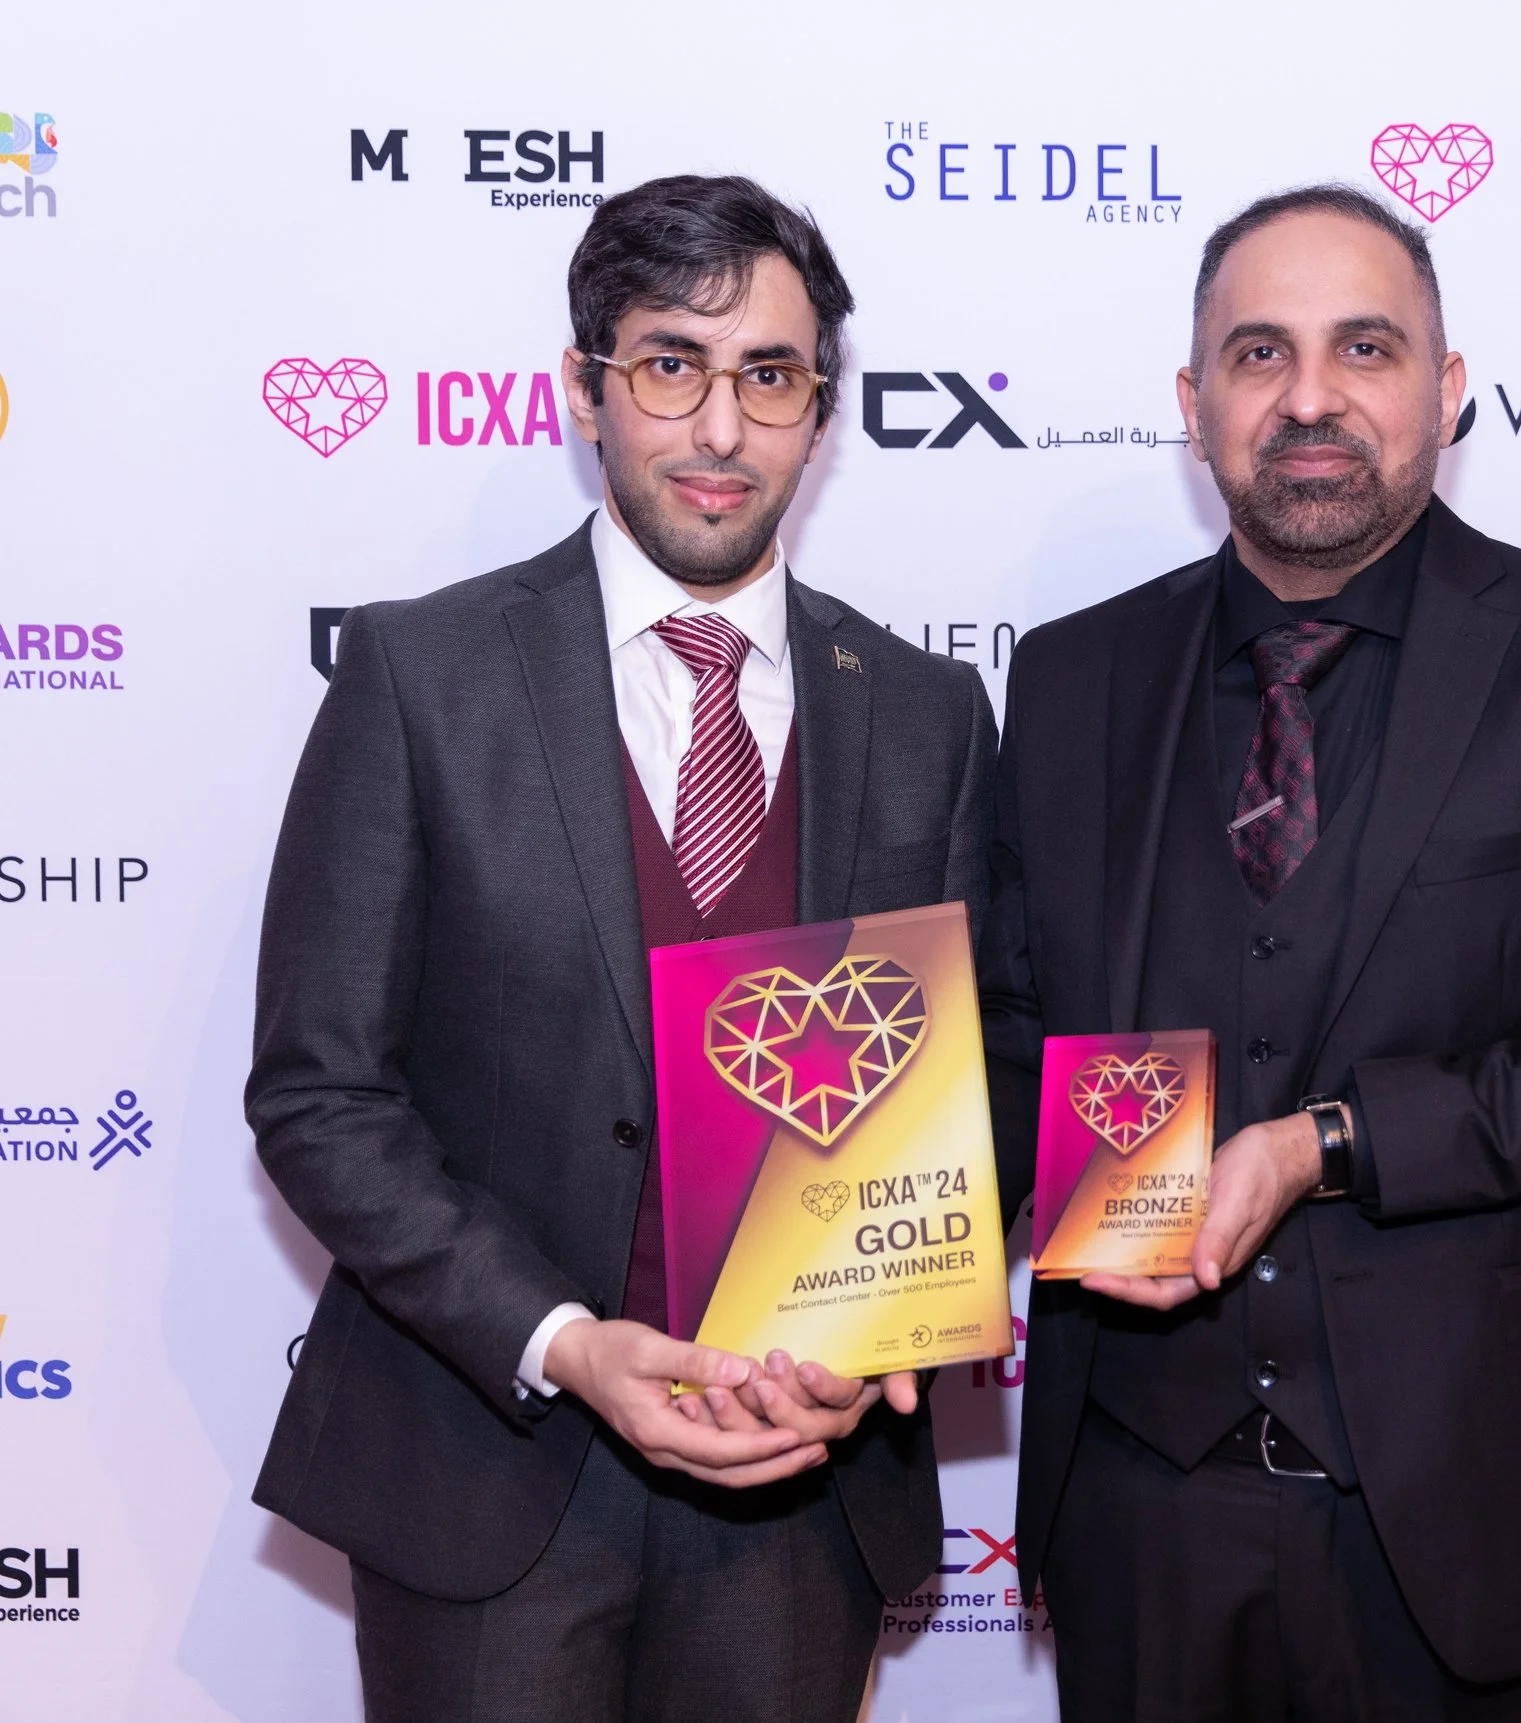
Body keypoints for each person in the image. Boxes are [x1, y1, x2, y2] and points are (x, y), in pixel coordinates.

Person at [979, 184, 1521, 1720]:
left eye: (1367, 347)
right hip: (1143, 1512)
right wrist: (830, 1260)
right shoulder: (1072, 679)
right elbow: (1010, 1037)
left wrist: (1326, 1142)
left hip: (1484, 1517)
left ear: (1448, 387)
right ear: (1193, 406)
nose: (1313, 398)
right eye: (1260, 354)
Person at [248, 174, 996, 1723]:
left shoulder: (929, 716)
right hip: (496, 1470)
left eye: (770, 377)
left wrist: (883, 1328)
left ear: (821, 412)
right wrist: (566, 1342)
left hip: (805, 1487)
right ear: (587, 389)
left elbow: (969, 1071)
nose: (721, 428)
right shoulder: (422, 675)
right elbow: (323, 1092)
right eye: (672, 364)